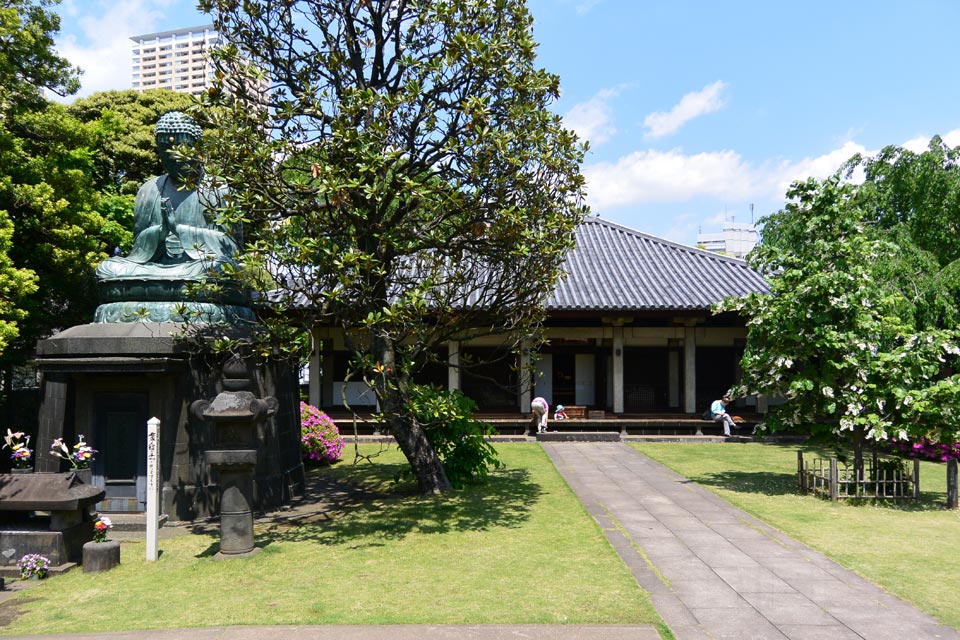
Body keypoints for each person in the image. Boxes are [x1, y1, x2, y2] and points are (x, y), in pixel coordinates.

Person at [96, 111, 240, 281]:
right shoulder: (149, 189)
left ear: (198, 148)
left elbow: (232, 248)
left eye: (181, 148)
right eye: (165, 149)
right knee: (108, 269)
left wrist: (180, 230)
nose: (173, 155)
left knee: (220, 268)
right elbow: (138, 249)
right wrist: (160, 232)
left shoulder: (219, 189)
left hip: (199, 266)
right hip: (154, 267)